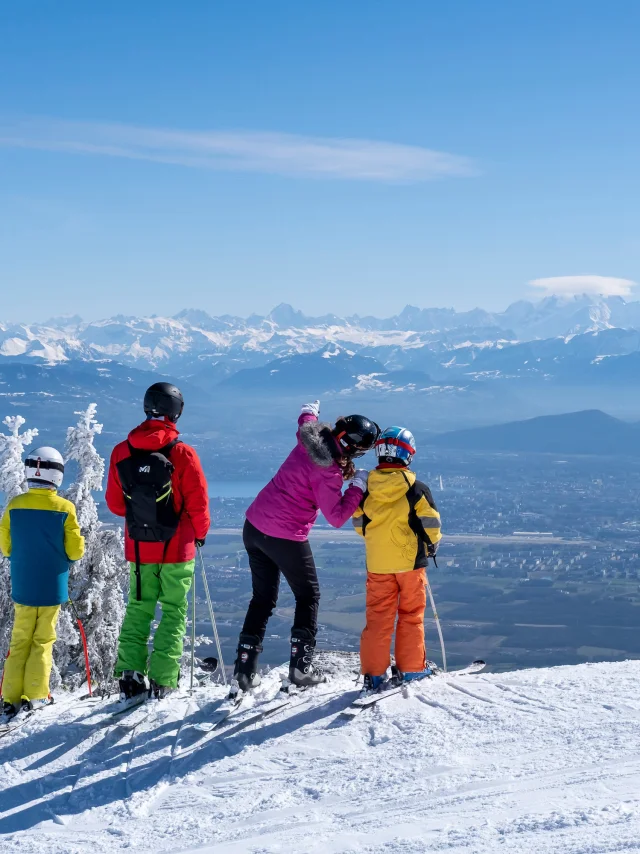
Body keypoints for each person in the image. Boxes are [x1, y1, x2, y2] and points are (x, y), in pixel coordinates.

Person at [234, 400, 379, 693]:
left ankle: (245, 671)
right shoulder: (328, 473)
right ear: (351, 448)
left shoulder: (308, 437)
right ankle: (301, 669)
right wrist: (357, 488)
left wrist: (310, 408)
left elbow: (306, 419)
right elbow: (336, 516)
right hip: (285, 536)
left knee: (262, 599)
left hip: (254, 526)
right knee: (308, 595)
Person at [106, 382, 210, 701]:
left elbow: (114, 503)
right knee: (174, 610)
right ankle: (164, 678)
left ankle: (130, 673)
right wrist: (200, 534)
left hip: (139, 547)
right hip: (177, 549)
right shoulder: (182, 453)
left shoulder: (122, 451)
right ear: (175, 412)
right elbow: (198, 504)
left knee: (139, 607)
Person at [352, 426, 442, 691]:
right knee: (411, 615)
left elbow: (359, 523)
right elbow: (432, 527)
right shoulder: (416, 489)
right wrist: (430, 547)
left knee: (378, 619)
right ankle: (412, 669)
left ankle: (374, 674)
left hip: (378, 564)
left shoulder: (366, 488)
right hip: (410, 564)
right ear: (408, 455)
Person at [0, 447, 84, 719]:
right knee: (43, 640)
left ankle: (9, 698)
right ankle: (35, 695)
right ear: (57, 476)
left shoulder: (15, 505)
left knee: (20, 638)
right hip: (52, 585)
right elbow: (75, 551)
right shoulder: (64, 508)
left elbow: (6, 547)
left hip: (23, 583)